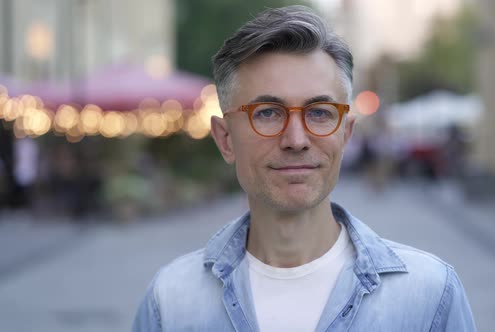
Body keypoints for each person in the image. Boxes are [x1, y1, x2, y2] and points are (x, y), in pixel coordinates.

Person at [133, 5, 476, 332]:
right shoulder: (171, 304)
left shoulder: (429, 298)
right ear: (225, 140)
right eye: (267, 112)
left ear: (346, 134)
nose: (296, 139)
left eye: (319, 113)